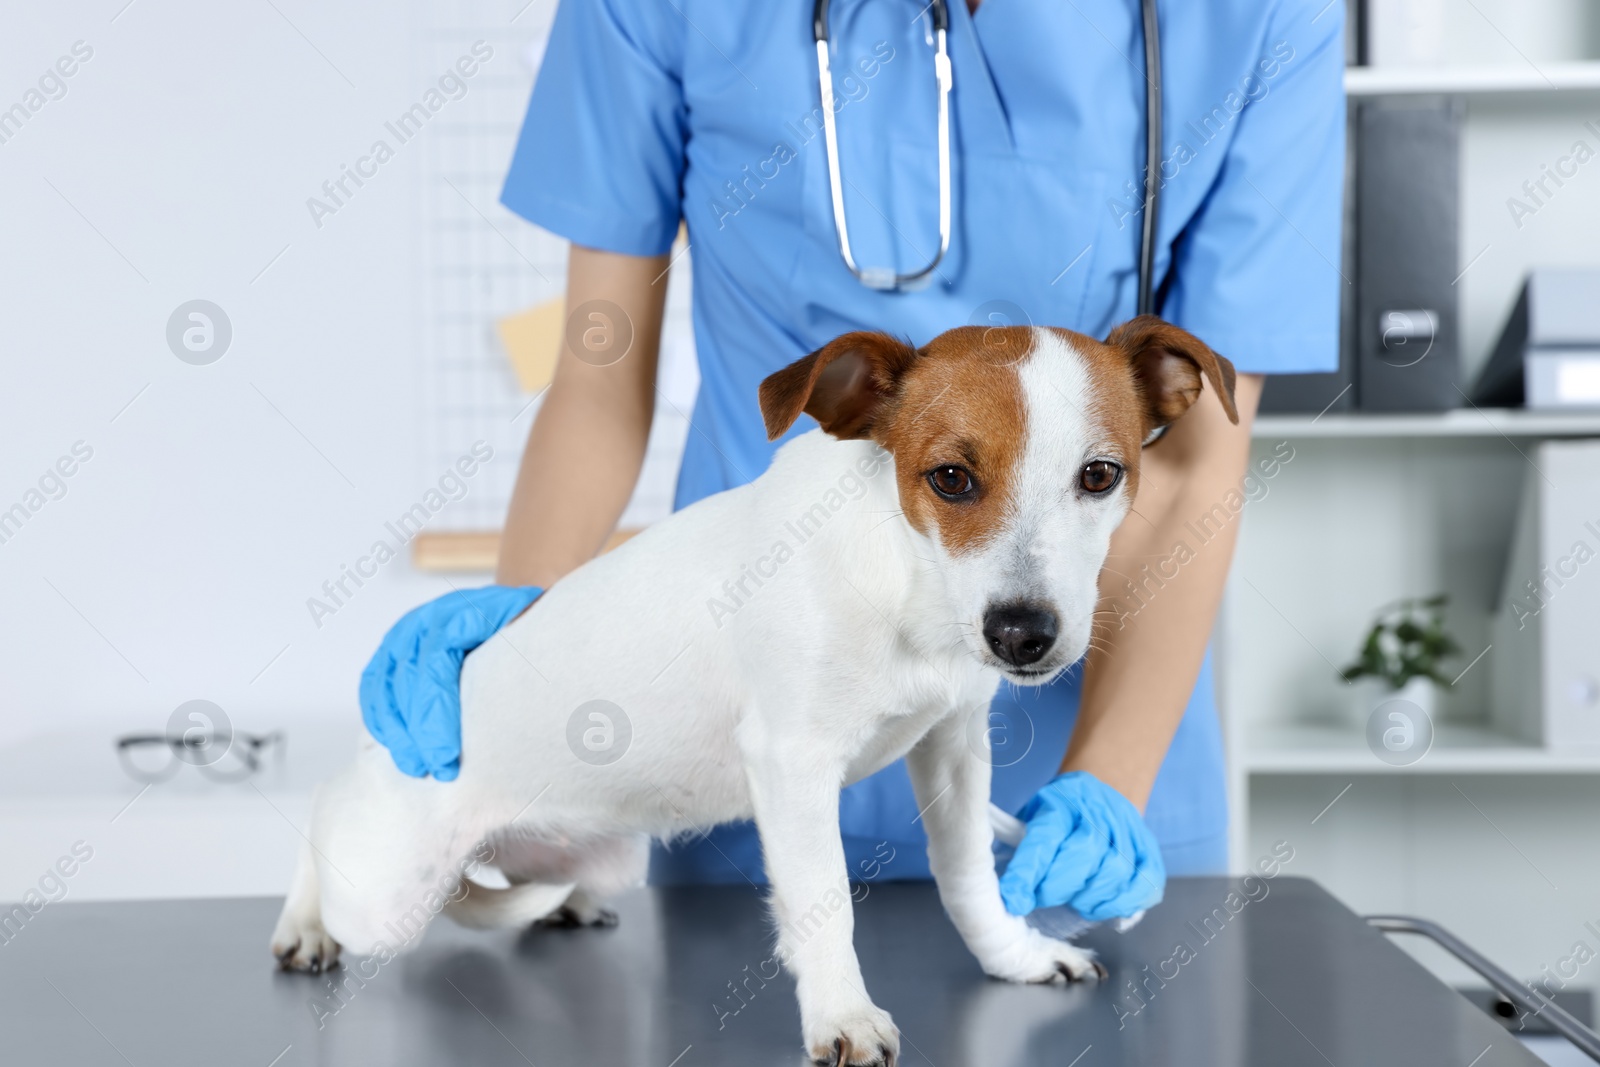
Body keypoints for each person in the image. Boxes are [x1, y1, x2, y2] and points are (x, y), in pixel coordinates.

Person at [360, 0, 1344, 921]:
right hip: (746, 722)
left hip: (1079, 747)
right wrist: (519, 673)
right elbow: (597, 384)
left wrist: (1108, 784)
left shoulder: (1257, 16)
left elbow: (1190, 459)